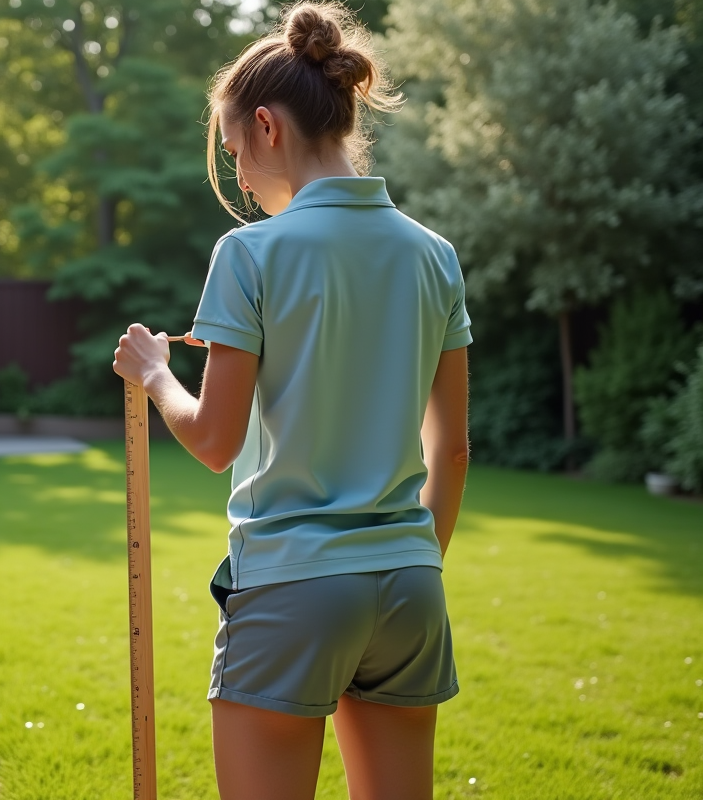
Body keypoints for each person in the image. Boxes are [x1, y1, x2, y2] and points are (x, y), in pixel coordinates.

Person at [111, 3, 472, 799]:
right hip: (410, 584)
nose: (239, 177)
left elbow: (213, 441)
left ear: (268, 127)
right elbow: (450, 450)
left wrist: (154, 373)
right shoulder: (433, 255)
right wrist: (409, 560)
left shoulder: (248, 254)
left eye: (236, 150)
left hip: (293, 585)